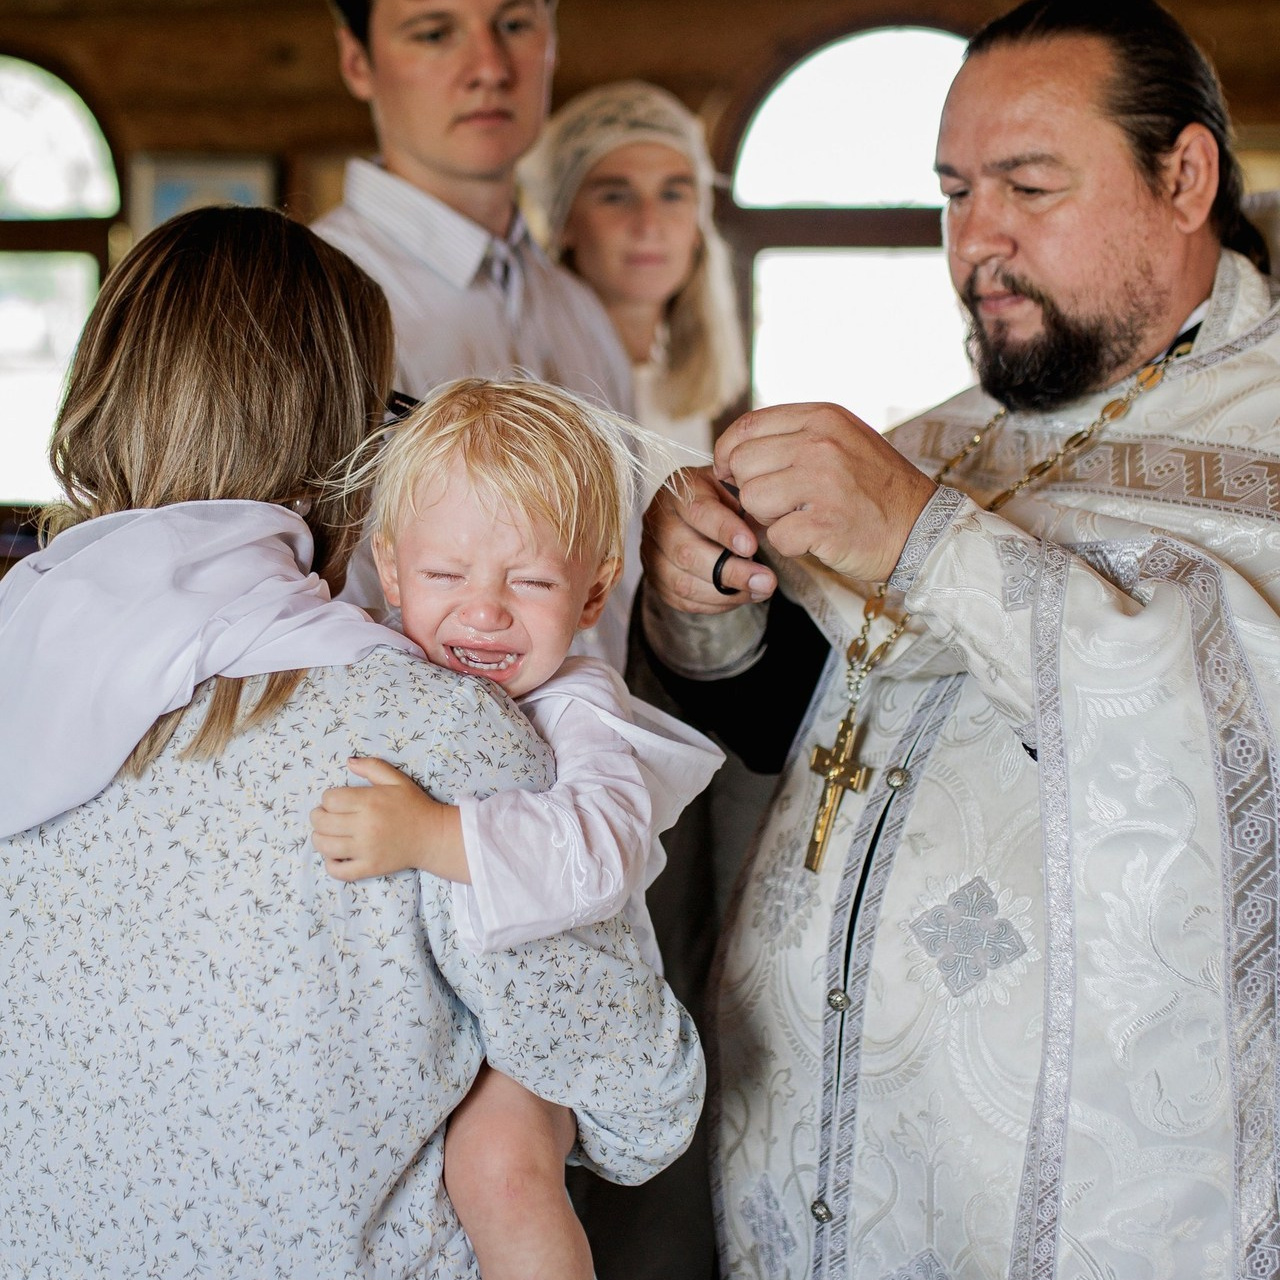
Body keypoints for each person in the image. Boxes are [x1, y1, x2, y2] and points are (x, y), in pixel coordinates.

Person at [640, 2, 1280, 1276]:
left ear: (1183, 177)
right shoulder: (935, 439)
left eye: (1027, 187)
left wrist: (925, 543)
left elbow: (1229, 748)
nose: (976, 239)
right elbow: (795, 724)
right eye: (951, 193)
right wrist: (705, 596)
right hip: (816, 1183)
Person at [0, 206, 705, 1279]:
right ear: (351, 438)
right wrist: (505, 1095)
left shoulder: (22, 673)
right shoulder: (436, 730)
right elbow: (641, 1094)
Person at [309, 376, 723, 1279]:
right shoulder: (380, 661)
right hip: (420, 1001)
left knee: (496, 1169)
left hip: (535, 1035)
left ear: (593, 593)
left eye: (530, 581)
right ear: (390, 569)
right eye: (445, 576)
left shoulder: (582, 711)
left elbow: (602, 852)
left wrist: (430, 836)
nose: (485, 609)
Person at [520, 79, 756, 1280]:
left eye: (673, 194)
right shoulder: (537, 368)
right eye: (617, 194)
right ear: (565, 216)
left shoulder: (711, 392)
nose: (650, 222)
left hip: (678, 704)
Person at [314, 0, 637, 674]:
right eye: (436, 33)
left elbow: (618, 592)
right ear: (356, 61)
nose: (490, 68)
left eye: (515, 26)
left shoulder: (578, 310)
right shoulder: (309, 308)